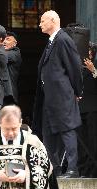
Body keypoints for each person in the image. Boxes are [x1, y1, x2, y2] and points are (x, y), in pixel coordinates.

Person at [32, 10, 83, 178]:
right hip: (49, 97)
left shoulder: (63, 39)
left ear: (53, 21)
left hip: (62, 96)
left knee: (67, 130)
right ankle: (53, 169)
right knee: (48, 132)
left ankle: (72, 169)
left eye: (42, 21)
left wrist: (77, 91)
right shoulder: (51, 41)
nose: (40, 24)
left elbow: (75, 67)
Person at [0, 105, 58, 189]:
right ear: (0, 123)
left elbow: (44, 172)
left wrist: (26, 175)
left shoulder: (33, 142)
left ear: (20, 122)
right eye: (7, 129)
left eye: (14, 128)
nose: (10, 133)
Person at [78, 42, 97, 177]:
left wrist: (94, 70)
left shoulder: (94, 67)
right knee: (81, 142)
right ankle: (83, 170)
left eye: (89, 51)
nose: (87, 53)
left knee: (92, 141)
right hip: (79, 110)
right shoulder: (77, 67)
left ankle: (93, 170)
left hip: (93, 110)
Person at [3, 31, 22, 104]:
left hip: (7, 98)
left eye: (8, 39)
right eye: (3, 39)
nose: (4, 41)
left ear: (15, 43)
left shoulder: (15, 53)